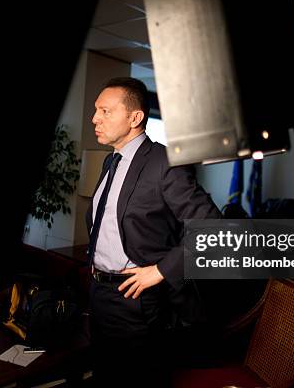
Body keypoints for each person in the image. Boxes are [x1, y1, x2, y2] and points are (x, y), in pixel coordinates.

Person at [87, 77, 221, 386]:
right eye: (96, 110)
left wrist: (160, 271)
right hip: (99, 293)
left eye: (105, 111)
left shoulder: (164, 162)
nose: (95, 118)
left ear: (135, 118)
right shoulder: (111, 161)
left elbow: (212, 227)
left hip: (137, 299)